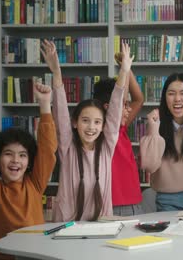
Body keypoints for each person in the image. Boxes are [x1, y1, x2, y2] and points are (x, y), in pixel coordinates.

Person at [43, 39, 132, 221]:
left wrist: (124, 72)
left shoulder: (107, 147)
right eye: (85, 120)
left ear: (103, 126)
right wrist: (57, 73)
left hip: (101, 224)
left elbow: (115, 110)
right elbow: (60, 112)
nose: (91, 127)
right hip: (67, 225)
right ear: (75, 123)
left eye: (97, 122)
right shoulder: (68, 147)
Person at [0, 83, 57, 259]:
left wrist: (45, 105)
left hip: (35, 257)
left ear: (30, 161)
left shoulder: (35, 184)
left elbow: (47, 150)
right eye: (8, 154)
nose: (16, 160)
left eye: (22, 155)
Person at [140, 73, 183, 211]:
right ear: (165, 97)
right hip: (168, 199)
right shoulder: (156, 125)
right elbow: (149, 166)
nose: (177, 99)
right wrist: (153, 132)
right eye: (171, 93)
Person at [93, 55, 145, 216]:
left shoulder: (120, 128)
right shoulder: (104, 130)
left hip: (134, 203)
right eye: (124, 105)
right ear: (109, 107)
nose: (129, 109)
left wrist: (126, 68)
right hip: (115, 205)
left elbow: (139, 99)